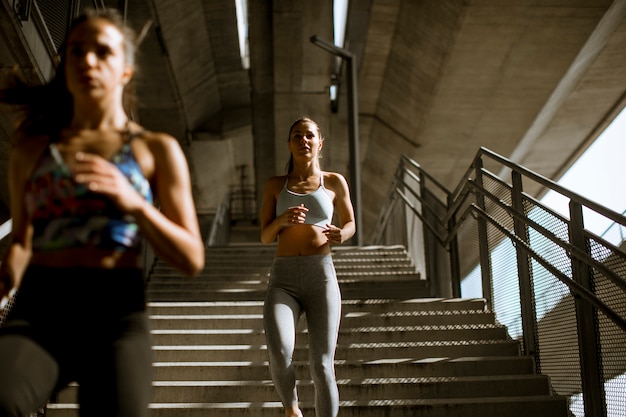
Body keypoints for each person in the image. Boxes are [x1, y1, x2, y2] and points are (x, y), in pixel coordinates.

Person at [0, 8, 205, 417]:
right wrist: (5, 279)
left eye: (102, 52)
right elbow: (23, 240)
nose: (87, 61)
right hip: (40, 311)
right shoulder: (31, 149)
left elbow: (192, 258)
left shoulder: (155, 149)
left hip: (117, 317)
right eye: (76, 51)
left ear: (126, 69)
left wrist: (136, 204)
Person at [260, 117, 356, 417]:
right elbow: (265, 237)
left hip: (321, 277)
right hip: (283, 280)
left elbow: (351, 222)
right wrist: (281, 221)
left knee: (323, 364)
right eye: (297, 136)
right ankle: (292, 409)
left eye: (309, 136)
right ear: (289, 144)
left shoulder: (334, 181)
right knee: (279, 352)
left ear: (319, 143)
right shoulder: (275, 185)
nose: (304, 140)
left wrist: (343, 233)